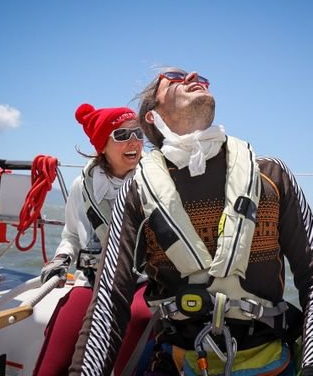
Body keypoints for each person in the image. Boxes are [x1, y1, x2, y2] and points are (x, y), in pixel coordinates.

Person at [69, 67, 313, 375]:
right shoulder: (137, 189)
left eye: (199, 78)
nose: (194, 75)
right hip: (178, 361)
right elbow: (110, 299)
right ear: (152, 116)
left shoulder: (272, 174)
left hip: (270, 361)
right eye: (173, 78)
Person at [32, 103, 151, 376]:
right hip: (91, 280)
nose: (134, 141)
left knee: (138, 319)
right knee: (53, 357)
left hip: (139, 281)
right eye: (122, 135)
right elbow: (71, 235)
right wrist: (61, 258)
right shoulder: (82, 186)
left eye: (138, 133)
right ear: (102, 146)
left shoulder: (153, 182)